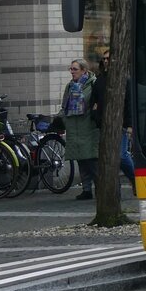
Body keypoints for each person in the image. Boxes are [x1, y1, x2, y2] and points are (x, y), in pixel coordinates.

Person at [59, 58, 99, 200]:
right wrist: (62, 120)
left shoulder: (93, 84)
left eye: (75, 69)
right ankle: (86, 189)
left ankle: (100, 188)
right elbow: (64, 105)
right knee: (81, 160)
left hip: (88, 128)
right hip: (74, 128)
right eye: (71, 69)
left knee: (92, 160)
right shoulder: (70, 86)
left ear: (84, 70)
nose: (72, 72)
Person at [91, 55, 135, 185]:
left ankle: (134, 179)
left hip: (121, 123)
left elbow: (129, 103)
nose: (105, 61)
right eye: (104, 59)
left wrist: (129, 124)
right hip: (104, 124)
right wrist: (96, 116)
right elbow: (94, 101)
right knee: (110, 157)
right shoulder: (99, 80)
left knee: (121, 155)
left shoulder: (124, 80)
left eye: (108, 58)